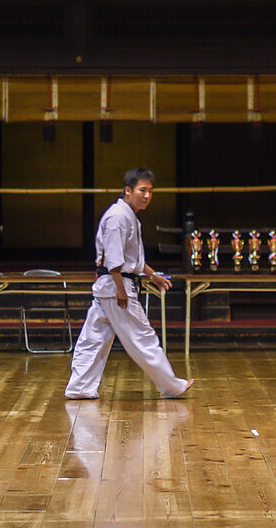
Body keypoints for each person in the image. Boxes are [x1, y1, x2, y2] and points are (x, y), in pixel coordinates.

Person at [66, 167, 193, 400]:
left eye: (150, 191)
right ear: (128, 190)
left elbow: (131, 259)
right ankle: (171, 385)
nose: (146, 196)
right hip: (116, 287)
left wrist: (152, 274)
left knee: (94, 339)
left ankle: (80, 387)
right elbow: (114, 259)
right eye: (142, 190)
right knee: (142, 337)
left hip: (110, 287)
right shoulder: (118, 217)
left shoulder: (128, 216)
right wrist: (121, 290)